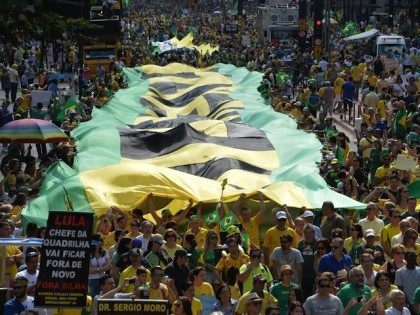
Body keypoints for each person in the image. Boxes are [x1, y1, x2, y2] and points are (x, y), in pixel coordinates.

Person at [297, 223, 318, 298]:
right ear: (304, 234)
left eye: (310, 233)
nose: (309, 235)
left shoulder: (319, 243)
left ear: (314, 233)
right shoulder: (300, 244)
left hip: (314, 276)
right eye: (306, 233)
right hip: (303, 276)